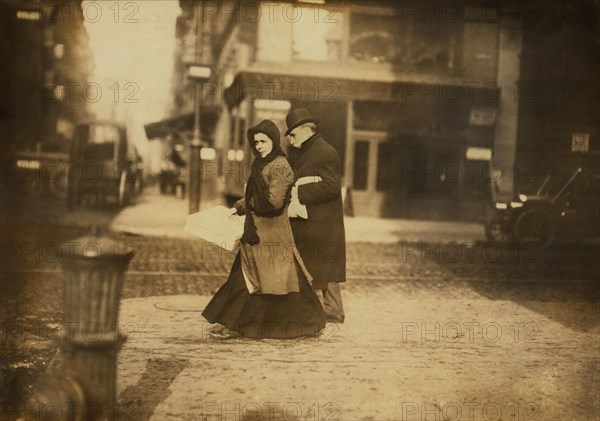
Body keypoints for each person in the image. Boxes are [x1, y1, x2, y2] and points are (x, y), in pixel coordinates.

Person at [202, 119, 326, 339]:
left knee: (272, 281)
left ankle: (308, 323)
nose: (258, 145)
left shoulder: (280, 166)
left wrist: (247, 206)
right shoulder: (261, 164)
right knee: (248, 279)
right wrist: (238, 207)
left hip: (272, 234)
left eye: (263, 141)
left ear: (274, 141)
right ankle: (230, 323)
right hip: (257, 233)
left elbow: (274, 203)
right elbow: (253, 195)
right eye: (256, 141)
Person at [285, 108, 346, 323]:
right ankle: (328, 310)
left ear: (305, 129)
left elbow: (332, 186)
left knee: (324, 267)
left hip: (323, 223)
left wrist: (298, 191)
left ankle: (332, 310)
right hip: (312, 221)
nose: (291, 140)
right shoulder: (307, 152)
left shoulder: (325, 152)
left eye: (292, 134)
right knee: (319, 267)